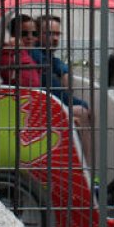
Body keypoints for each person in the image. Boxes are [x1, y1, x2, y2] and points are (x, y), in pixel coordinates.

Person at [32, 14, 94, 165]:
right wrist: (82, 104)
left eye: (57, 34)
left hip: (45, 106)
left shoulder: (45, 56)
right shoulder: (37, 55)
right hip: (40, 110)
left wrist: (64, 70)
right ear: (37, 35)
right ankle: (86, 168)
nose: (55, 38)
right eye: (49, 33)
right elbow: (59, 95)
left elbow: (58, 65)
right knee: (81, 112)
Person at [0, 14, 41, 88]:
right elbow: (29, 83)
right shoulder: (7, 53)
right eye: (24, 34)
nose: (30, 37)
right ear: (12, 35)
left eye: (34, 34)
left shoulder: (33, 54)